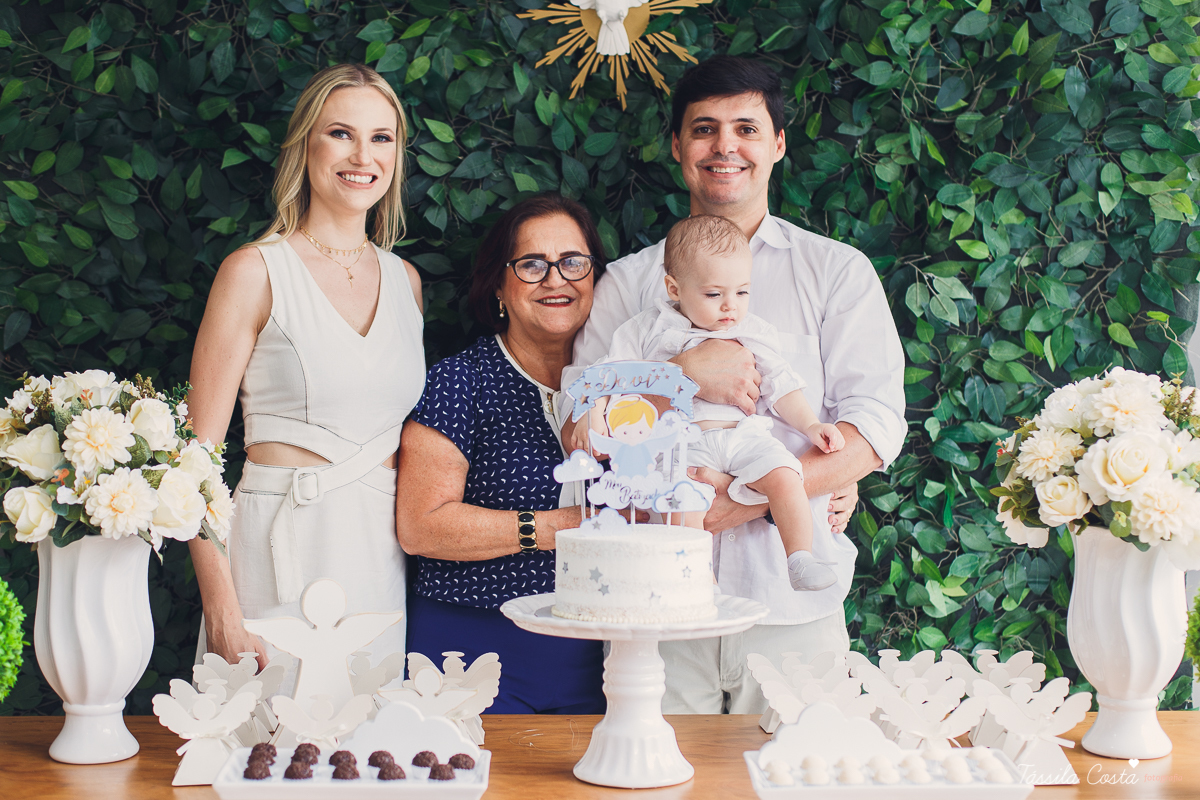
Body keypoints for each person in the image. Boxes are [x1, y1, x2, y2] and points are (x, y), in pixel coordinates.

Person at [564, 56, 906, 713]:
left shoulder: (836, 273)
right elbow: (579, 424)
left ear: (777, 144)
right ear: (677, 147)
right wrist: (677, 377)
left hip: (790, 608)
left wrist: (751, 500)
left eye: (746, 128)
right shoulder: (630, 284)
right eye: (704, 129)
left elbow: (874, 426)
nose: (725, 146)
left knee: (802, 780)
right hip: (654, 604)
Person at [187, 64, 424, 689]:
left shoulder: (406, 283)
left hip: (378, 555)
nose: (362, 155)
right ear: (305, 145)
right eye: (341, 133)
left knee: (369, 762)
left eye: (382, 138)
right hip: (278, 546)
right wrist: (221, 607)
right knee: (265, 760)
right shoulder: (254, 271)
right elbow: (195, 460)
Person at [395, 193, 608, 714]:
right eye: (532, 265)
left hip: (602, 650)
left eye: (573, 262)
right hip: (473, 646)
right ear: (498, 286)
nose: (556, 279)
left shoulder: (624, 388)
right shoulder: (458, 382)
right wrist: (559, 526)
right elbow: (422, 525)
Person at [575, 215, 845, 591]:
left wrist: (812, 426)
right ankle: (700, 582)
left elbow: (780, 384)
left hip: (744, 435)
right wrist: (595, 413)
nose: (730, 307)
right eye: (714, 294)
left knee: (786, 475)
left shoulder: (752, 330)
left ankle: (800, 557)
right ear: (674, 287)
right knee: (682, 502)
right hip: (681, 444)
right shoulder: (646, 329)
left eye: (742, 292)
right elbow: (610, 376)